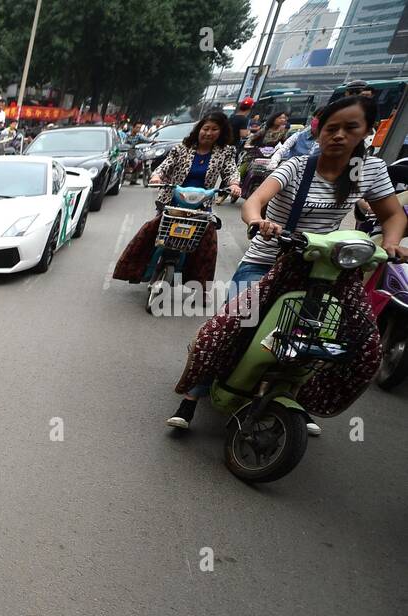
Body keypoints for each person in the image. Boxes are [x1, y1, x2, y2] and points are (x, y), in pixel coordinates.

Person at [166, 95, 406, 432]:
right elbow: (255, 201)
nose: (338, 136)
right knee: (234, 327)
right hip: (268, 259)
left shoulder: (369, 170)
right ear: (319, 132)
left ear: (367, 131)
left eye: (350, 128)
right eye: (331, 128)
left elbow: (392, 213)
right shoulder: (296, 166)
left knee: (352, 342)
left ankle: (299, 397)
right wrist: (258, 222)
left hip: (322, 269)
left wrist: (392, 242)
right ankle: (193, 394)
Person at [112, 111, 241, 286]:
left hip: (201, 206)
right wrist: (156, 177)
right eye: (206, 128)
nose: (209, 133)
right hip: (172, 200)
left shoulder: (225, 152)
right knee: (151, 233)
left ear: (221, 132)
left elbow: (231, 171)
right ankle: (137, 270)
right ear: (199, 129)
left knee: (206, 244)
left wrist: (234, 184)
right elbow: (164, 167)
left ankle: (198, 284)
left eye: (214, 129)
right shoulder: (182, 148)